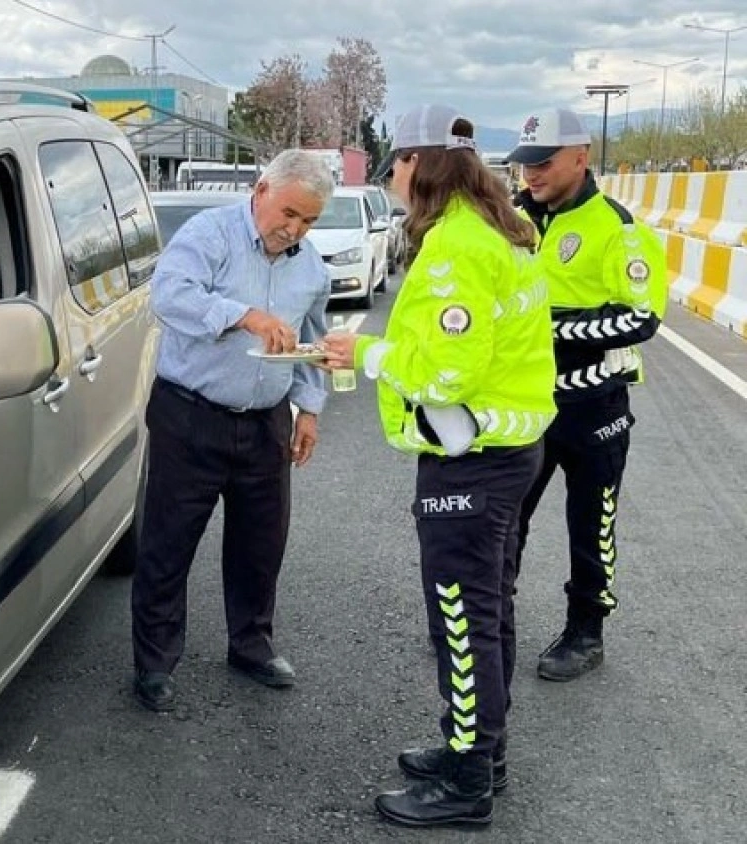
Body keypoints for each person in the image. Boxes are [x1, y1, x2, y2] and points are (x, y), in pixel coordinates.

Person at [321, 104, 557, 826]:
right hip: (506, 447)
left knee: (462, 618)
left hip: (471, 459)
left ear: (418, 164)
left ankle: (466, 782)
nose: (391, 177)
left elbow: (449, 374)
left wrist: (365, 352)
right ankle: (481, 750)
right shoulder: (498, 230)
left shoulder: (458, 246)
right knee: (489, 611)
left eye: (394, 163)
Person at [130, 149, 333, 713]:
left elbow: (313, 339)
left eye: (309, 220)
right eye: (289, 213)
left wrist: (309, 410)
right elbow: (169, 294)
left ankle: (251, 645)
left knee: (260, 544)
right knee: (169, 543)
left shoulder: (310, 267)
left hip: (266, 423)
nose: (295, 230)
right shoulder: (210, 234)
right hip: (190, 415)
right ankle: (155, 662)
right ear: (261, 189)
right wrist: (244, 315)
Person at [507, 109, 667, 681]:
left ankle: (586, 632)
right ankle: (487, 617)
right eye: (525, 164)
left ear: (581, 157)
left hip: (593, 408)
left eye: (543, 162)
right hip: (521, 404)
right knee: (505, 519)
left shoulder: (618, 229)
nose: (531, 174)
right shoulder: (509, 222)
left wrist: (546, 327)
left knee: (591, 526)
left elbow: (641, 317)